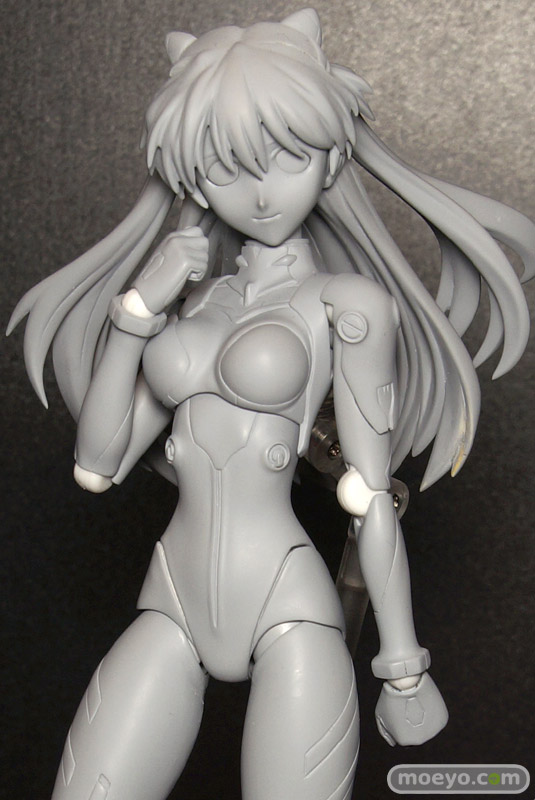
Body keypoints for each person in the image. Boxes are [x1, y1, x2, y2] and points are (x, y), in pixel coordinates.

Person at [8, 9, 534, 800]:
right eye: (226, 167)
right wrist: (137, 312)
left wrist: (401, 665)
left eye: (290, 155)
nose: (259, 191)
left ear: (331, 158)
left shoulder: (345, 304)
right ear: (192, 178)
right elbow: (97, 464)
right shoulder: (189, 305)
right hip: (171, 601)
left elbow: (370, 494)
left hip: (288, 607)